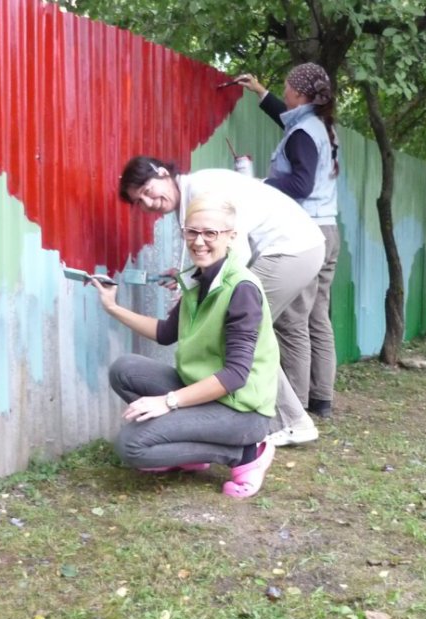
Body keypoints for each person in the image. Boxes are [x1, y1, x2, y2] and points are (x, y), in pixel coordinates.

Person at [119, 156, 325, 447]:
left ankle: (288, 422)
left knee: (248, 339)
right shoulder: (194, 191)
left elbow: (233, 255)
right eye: (140, 201)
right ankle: (291, 419)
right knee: (273, 335)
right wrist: (187, 277)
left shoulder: (203, 191)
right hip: (304, 245)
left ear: (162, 173)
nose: (149, 203)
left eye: (148, 191)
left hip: (286, 249)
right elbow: (212, 261)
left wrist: (192, 287)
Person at [93, 196, 278, 498]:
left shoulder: (241, 289)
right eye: (192, 232)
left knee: (131, 445)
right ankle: (190, 454)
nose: (199, 241)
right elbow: (166, 333)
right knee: (124, 370)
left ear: (231, 236)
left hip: (242, 410)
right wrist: (113, 308)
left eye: (210, 233)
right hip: (203, 392)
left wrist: (167, 402)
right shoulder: (198, 279)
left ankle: (246, 453)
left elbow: (235, 376)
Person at [234, 63, 340, 423]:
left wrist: (260, 183)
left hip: (305, 234)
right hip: (328, 229)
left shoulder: (304, 133)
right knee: (317, 317)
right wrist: (261, 93)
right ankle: (321, 398)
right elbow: (291, 123)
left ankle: (293, 407)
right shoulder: (320, 125)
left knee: (293, 321)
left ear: (299, 92)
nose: (285, 91)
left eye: (286, 87)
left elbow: (300, 185)